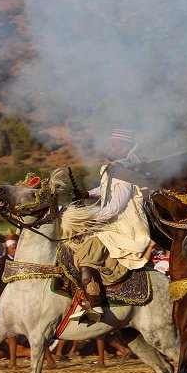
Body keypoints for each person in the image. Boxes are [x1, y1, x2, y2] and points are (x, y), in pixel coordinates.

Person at [69, 129, 150, 322]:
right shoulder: (113, 168)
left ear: (125, 148)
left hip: (124, 228)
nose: (108, 147)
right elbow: (105, 190)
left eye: (113, 144)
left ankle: (95, 307)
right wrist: (87, 194)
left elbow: (115, 207)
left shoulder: (125, 172)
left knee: (86, 253)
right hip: (112, 224)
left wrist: (86, 218)